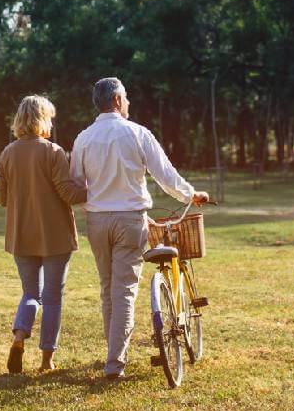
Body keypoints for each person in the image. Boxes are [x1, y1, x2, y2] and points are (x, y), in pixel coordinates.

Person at [70, 77, 209, 379]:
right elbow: (165, 175)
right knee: (124, 291)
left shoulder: (83, 138)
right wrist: (190, 195)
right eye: (127, 97)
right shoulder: (137, 133)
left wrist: (96, 199)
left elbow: (76, 184)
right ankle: (114, 363)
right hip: (130, 220)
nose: (129, 102)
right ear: (118, 100)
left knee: (108, 289)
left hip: (97, 221)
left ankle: (112, 353)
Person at [0, 95, 87, 374]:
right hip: (55, 236)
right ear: (43, 119)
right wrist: (99, 188)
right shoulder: (53, 152)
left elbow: (2, 199)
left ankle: (19, 336)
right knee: (52, 299)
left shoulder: (7, 153)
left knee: (30, 294)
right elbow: (68, 193)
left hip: (22, 235)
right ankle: (47, 360)